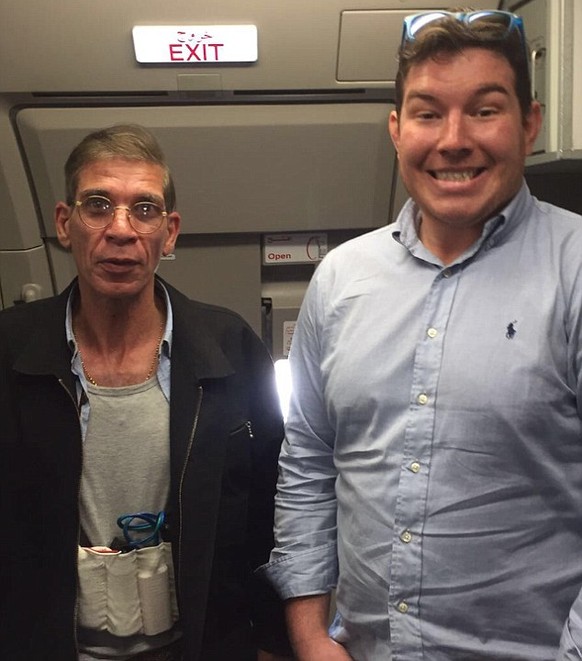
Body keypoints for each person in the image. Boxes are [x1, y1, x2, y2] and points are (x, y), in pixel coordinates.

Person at [258, 9, 582, 661]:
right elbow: (310, 458)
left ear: (530, 124)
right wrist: (309, 635)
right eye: (428, 113)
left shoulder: (573, 270)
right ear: (397, 129)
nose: (453, 140)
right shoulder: (340, 278)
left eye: (484, 110)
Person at [0, 124, 292, 661]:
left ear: (169, 232)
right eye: (97, 205)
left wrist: (274, 643)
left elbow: (273, 514)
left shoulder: (229, 347)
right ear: (64, 223)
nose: (121, 229)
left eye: (144, 209)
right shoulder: (10, 351)